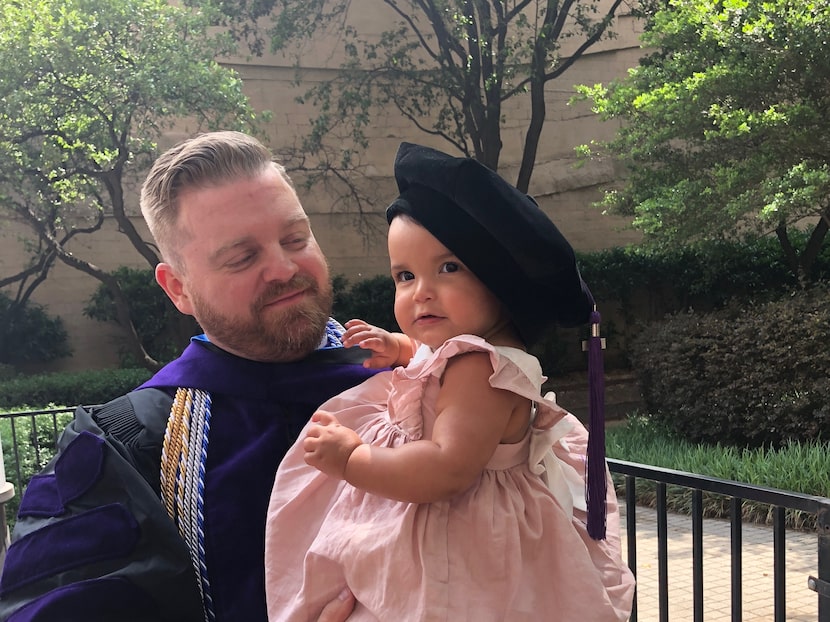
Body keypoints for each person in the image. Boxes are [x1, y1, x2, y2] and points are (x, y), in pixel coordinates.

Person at [0, 131, 383, 622]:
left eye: (295, 238)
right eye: (243, 257)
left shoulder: (411, 379)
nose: (285, 268)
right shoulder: (125, 448)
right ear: (178, 288)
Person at [264, 142, 636, 621]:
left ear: (502, 281)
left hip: (461, 547)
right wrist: (400, 346)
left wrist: (354, 459)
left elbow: (446, 469)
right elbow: (433, 356)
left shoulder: (478, 371)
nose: (421, 292)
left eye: (448, 268)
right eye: (404, 275)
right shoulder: (477, 353)